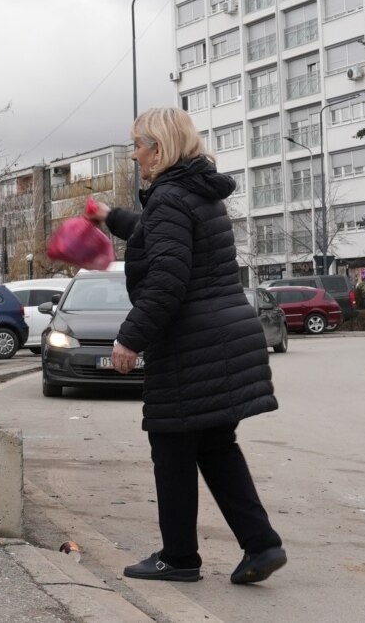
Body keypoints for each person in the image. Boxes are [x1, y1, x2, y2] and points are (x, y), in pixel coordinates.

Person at [86, 107, 285, 585]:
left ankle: (178, 557)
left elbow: (169, 279)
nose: (135, 155)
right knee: (216, 445)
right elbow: (158, 236)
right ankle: (261, 545)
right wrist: (111, 216)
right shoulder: (194, 191)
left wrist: (129, 339)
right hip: (222, 334)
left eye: (139, 145)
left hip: (193, 341)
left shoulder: (172, 196)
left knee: (172, 448)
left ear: (161, 147)